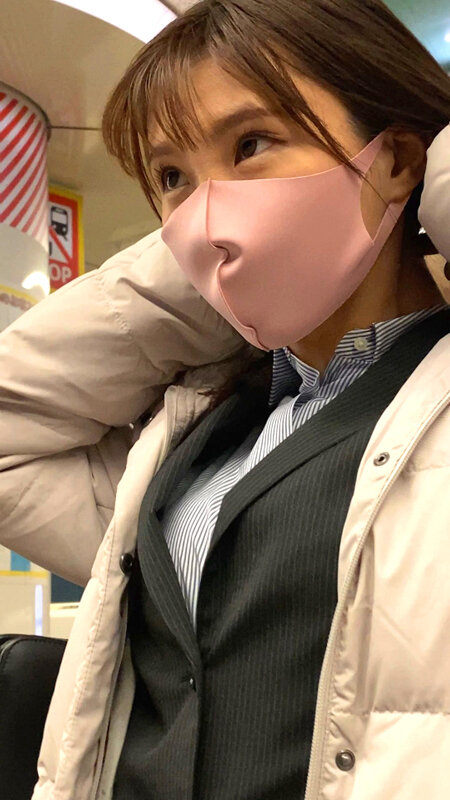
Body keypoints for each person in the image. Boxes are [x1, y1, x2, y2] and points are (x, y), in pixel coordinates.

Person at [0, 1, 450, 798]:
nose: (206, 212)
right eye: (173, 178)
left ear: (396, 159)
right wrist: (195, 267)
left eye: (251, 144)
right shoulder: (189, 435)